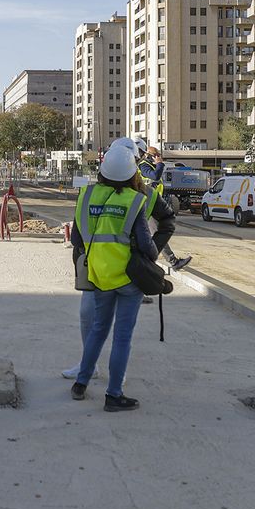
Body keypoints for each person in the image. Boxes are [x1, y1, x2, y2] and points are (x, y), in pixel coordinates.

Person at [67, 143, 158, 411]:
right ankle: (114, 395)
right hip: (128, 279)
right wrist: (153, 257)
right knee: (122, 337)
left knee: (98, 330)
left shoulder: (86, 196)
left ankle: (81, 383)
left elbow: (76, 240)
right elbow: (146, 245)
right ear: (132, 174)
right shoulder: (134, 200)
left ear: (102, 171)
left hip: (99, 276)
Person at [131, 137, 191, 272]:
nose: (158, 157)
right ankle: (171, 261)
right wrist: (160, 164)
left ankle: (168, 260)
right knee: (157, 231)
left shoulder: (143, 165)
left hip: (150, 203)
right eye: (156, 155)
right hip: (146, 204)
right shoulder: (144, 165)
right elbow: (155, 176)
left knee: (155, 232)